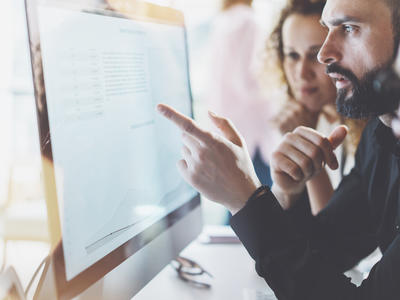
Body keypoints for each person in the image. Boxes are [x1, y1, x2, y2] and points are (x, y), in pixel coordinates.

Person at [157, 0, 400, 298]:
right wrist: (288, 192)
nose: (325, 55)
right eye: (328, 29)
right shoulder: (380, 135)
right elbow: (325, 251)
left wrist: (246, 200)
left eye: (349, 28)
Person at [265, 0, 367, 215]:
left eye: (314, 55)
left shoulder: (372, 127)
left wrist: (311, 161)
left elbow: (336, 235)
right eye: (292, 55)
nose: (302, 73)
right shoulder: (305, 117)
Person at [204, 0, 274, 186]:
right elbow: (248, 81)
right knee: (259, 198)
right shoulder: (248, 22)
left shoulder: (221, 22)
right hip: (252, 133)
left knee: (236, 197)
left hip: (227, 128)